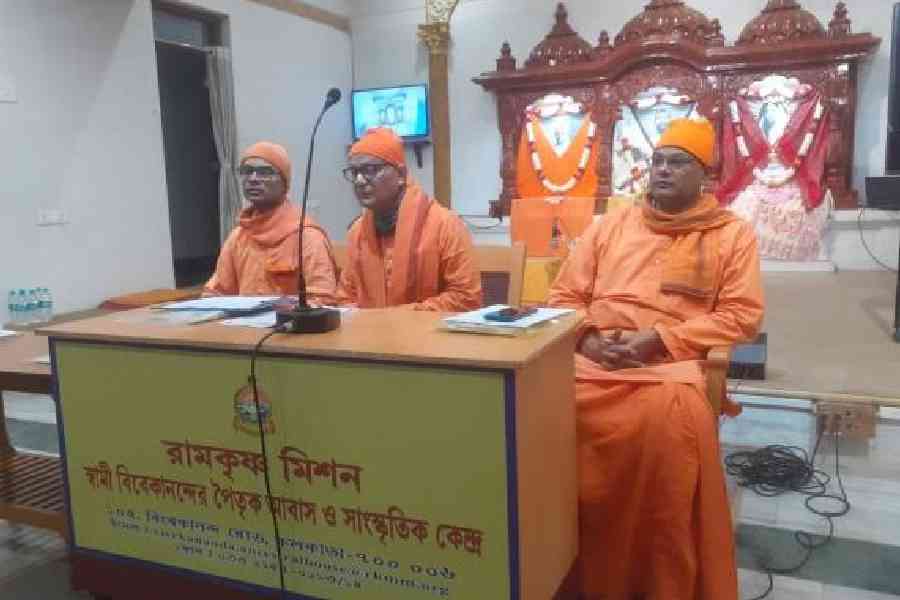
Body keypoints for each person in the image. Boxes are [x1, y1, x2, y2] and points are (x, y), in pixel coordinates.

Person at [548, 118, 764, 600]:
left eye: (677, 162)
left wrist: (660, 339)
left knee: (668, 422)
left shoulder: (731, 234)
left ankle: (652, 579)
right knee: (537, 402)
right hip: (594, 354)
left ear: (703, 173)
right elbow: (564, 294)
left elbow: (741, 315)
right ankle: (556, 569)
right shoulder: (611, 225)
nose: (663, 171)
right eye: (657, 161)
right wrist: (586, 337)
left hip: (670, 361)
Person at [336, 127, 481, 311]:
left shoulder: (445, 225)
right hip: (368, 336)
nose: (359, 180)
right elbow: (345, 298)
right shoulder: (357, 232)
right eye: (354, 171)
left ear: (401, 175)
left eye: (370, 170)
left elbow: (466, 298)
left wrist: (397, 318)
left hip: (428, 337)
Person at [204, 141, 337, 303]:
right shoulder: (238, 236)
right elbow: (215, 294)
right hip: (243, 326)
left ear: (284, 183)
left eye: (264, 172)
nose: (253, 179)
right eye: (247, 171)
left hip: (290, 326)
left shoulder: (306, 236)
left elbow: (323, 299)